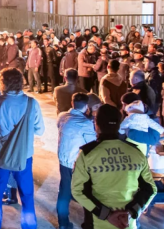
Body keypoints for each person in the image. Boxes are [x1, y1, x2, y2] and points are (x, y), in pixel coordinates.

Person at [71, 104, 157, 229]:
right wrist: (131, 213)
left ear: (96, 125)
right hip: (127, 223)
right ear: (119, 125)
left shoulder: (87, 154)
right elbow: (150, 189)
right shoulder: (136, 152)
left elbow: (78, 191)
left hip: (98, 224)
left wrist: (107, 215)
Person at [0, 68, 45, 229]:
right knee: (27, 195)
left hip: (1, 155)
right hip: (24, 155)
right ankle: (29, 226)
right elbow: (40, 130)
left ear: (3, 83)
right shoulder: (32, 103)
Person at [56, 93, 96, 229]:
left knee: (64, 191)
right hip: (76, 162)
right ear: (86, 106)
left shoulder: (62, 116)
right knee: (87, 192)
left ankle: (63, 224)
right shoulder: (85, 123)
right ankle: (89, 223)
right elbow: (92, 144)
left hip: (63, 160)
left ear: (72, 103)